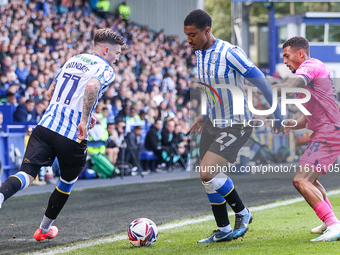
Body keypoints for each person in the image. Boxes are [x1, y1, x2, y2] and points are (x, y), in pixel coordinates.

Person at [0, 28, 124, 241]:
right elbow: (92, 86)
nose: (118, 58)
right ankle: (44, 229)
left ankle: (1, 195)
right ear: (106, 50)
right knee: (66, 182)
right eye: (117, 53)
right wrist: (84, 118)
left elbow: (50, 92)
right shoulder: (106, 68)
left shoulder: (73, 59)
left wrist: (85, 111)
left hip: (45, 127)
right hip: (71, 134)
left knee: (27, 174)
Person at [184, 9, 283, 243]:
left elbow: (261, 80)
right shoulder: (199, 53)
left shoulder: (230, 52)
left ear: (207, 31)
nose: (189, 40)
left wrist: (277, 114)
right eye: (186, 35)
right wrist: (205, 115)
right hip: (213, 122)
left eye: (193, 35)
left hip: (237, 123)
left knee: (208, 171)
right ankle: (224, 229)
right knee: (207, 177)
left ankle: (243, 212)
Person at [272, 36, 340, 242]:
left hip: (329, 132)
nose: (284, 61)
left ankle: (333, 225)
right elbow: (307, 117)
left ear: (301, 53)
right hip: (326, 130)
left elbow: (294, 83)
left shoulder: (311, 66)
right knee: (310, 180)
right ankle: (331, 221)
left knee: (301, 180)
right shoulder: (312, 79)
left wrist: (273, 88)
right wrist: (288, 124)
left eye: (287, 56)